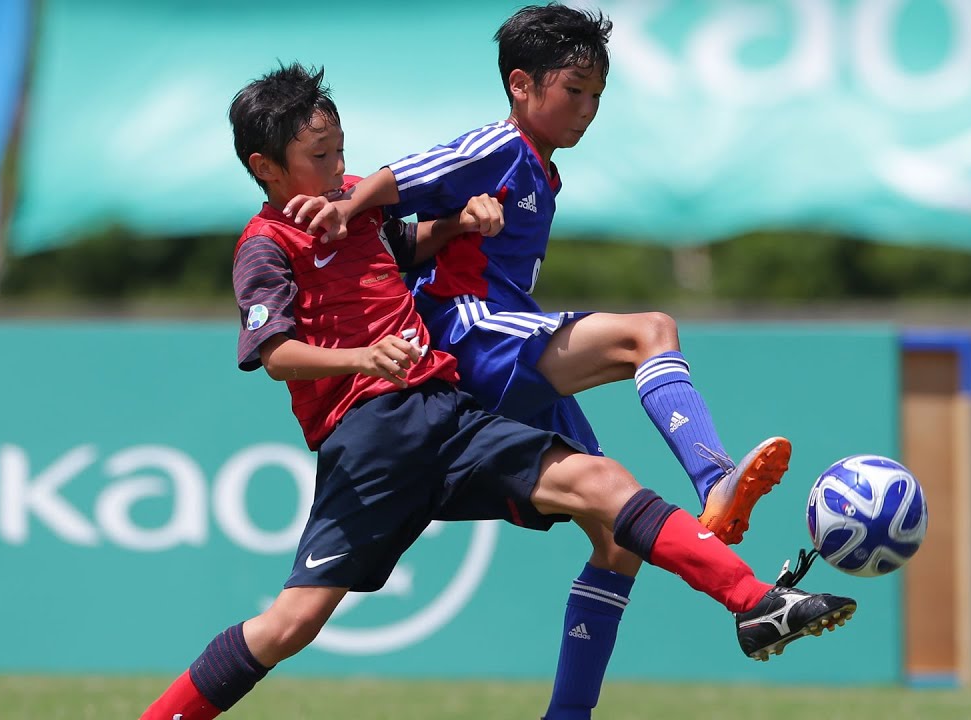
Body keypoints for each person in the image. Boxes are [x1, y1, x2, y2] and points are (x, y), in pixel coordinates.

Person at [138, 63, 855, 720]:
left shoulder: (355, 207)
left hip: (446, 411)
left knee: (603, 484)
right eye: (318, 157)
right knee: (289, 626)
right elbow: (273, 354)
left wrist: (459, 221)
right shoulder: (264, 244)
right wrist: (362, 356)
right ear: (265, 167)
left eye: (340, 150)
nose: (338, 169)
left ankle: (756, 600)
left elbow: (404, 248)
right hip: (371, 441)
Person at [289, 4, 795, 718]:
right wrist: (346, 210)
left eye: (597, 96)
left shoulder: (539, 170)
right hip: (467, 331)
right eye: (574, 90)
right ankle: (715, 478)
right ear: (521, 85)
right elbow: (408, 172)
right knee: (649, 330)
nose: (586, 109)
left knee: (616, 535)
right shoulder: (501, 145)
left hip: (495, 339)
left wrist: (452, 219)